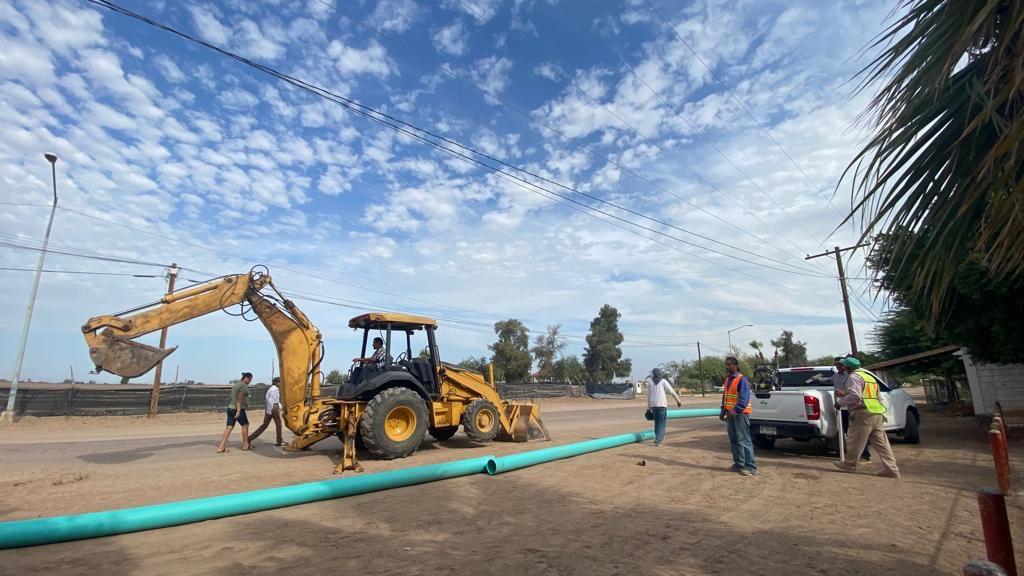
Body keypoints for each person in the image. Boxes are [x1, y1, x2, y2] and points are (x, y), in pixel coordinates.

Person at [833, 357, 900, 478]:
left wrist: (840, 402)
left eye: (844, 366)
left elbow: (855, 396)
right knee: (882, 445)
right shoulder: (869, 377)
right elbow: (874, 396)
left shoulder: (853, 377)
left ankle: (849, 464)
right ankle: (892, 469)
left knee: (854, 440)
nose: (842, 368)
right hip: (876, 412)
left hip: (862, 412)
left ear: (848, 367)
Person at [814, 356, 870, 462]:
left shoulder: (852, 376)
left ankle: (864, 455)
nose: (838, 366)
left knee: (858, 432)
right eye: (836, 364)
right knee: (847, 432)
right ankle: (850, 455)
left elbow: (855, 394)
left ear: (846, 365)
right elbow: (827, 380)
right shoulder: (835, 376)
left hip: (853, 407)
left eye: (840, 364)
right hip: (841, 408)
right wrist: (815, 379)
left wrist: (843, 395)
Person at [720, 357, 757, 476]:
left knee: (744, 441)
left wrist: (736, 410)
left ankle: (750, 467)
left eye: (729, 364)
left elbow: (744, 398)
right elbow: (725, 396)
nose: (727, 366)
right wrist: (723, 410)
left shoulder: (742, 379)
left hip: (740, 414)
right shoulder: (727, 379)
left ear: (735, 365)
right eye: (726, 364)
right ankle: (739, 464)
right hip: (730, 414)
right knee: (734, 440)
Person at [217, 372, 252, 453]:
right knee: (245, 425)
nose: (250, 381)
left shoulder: (236, 385)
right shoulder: (243, 386)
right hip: (238, 409)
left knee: (229, 427)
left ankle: (221, 447)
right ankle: (245, 445)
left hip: (230, 408)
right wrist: (238, 411)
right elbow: (239, 398)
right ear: (246, 378)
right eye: (250, 379)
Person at [647, 368, 682, 447]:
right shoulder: (663, 381)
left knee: (656, 423)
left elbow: (648, 396)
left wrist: (649, 408)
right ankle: (659, 441)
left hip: (653, 406)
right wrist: (678, 400)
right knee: (661, 423)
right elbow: (671, 391)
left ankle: (658, 438)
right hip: (662, 405)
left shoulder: (650, 382)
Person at [248, 376, 284, 446]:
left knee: (264, 425)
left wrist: (269, 410)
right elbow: (271, 401)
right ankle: (279, 441)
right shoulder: (275, 389)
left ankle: (249, 438)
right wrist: (271, 411)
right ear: (276, 382)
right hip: (273, 408)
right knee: (279, 425)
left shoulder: (271, 389)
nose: (280, 383)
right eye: (279, 382)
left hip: (270, 408)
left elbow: (269, 399)